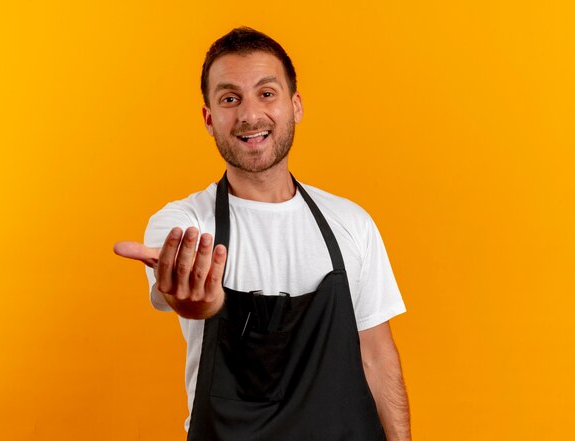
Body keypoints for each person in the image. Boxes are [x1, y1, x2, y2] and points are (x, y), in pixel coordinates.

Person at [114, 27, 411, 440]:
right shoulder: (186, 223)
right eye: (230, 98)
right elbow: (189, 298)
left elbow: (378, 357)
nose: (250, 115)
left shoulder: (351, 223)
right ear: (209, 118)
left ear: (296, 106)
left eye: (266, 93)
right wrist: (198, 299)